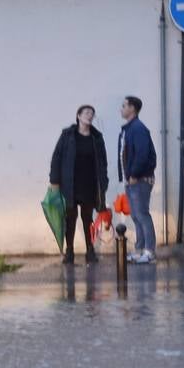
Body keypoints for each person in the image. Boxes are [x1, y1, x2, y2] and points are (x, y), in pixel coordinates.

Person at [49, 105, 109, 265]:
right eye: (87, 113)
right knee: (70, 218)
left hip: (89, 184)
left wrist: (103, 183)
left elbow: (103, 162)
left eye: (92, 114)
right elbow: (57, 158)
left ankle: (90, 250)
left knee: (88, 218)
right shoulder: (67, 135)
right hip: (70, 184)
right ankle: (69, 251)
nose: (90, 116)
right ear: (78, 116)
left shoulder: (96, 137)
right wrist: (54, 181)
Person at [118, 96, 157, 264]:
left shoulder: (138, 129)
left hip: (139, 179)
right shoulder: (129, 129)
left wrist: (134, 174)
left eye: (124, 105)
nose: (121, 108)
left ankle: (149, 251)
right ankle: (140, 249)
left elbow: (142, 154)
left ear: (132, 108)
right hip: (132, 179)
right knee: (135, 215)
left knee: (142, 214)